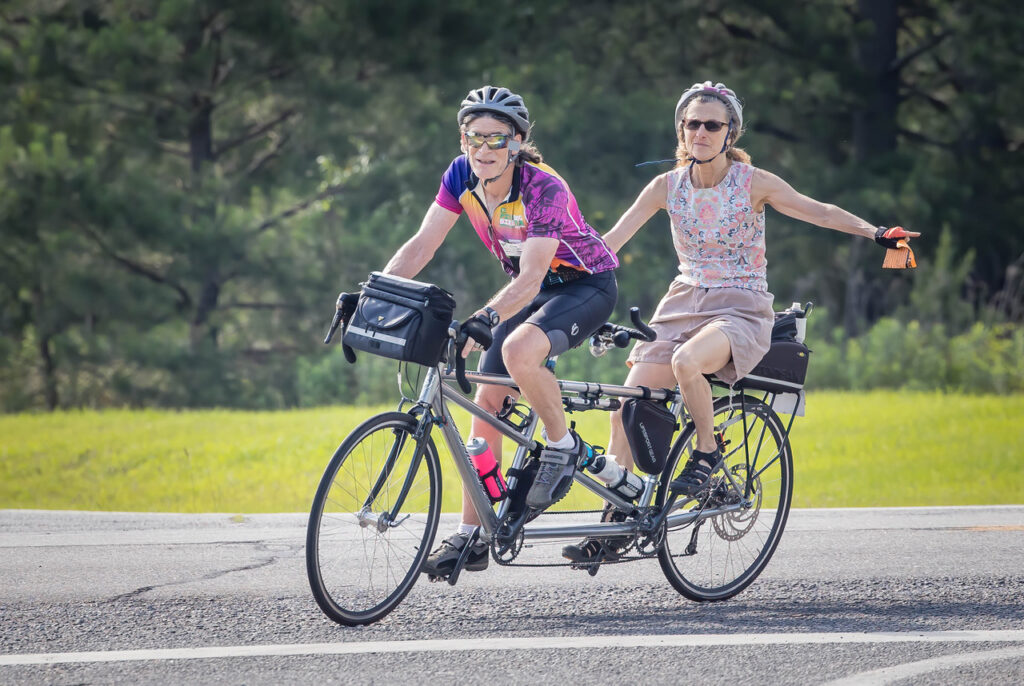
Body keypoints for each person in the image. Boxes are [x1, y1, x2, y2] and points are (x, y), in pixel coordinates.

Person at [562, 80, 920, 563]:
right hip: (682, 303)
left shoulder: (753, 183)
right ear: (681, 130)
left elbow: (821, 212)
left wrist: (875, 232)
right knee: (624, 410)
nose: (702, 132)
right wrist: (555, 270)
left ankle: (707, 455)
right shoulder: (665, 187)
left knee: (689, 363)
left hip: (742, 306)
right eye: (693, 124)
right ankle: (618, 521)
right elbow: (608, 244)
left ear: (731, 132)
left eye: (713, 124)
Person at [370, 86, 619, 576]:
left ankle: (563, 447)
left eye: (496, 140)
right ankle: (472, 535)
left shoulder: (544, 188)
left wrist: (486, 316)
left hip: (583, 286)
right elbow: (422, 245)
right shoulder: (461, 174)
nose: (483, 151)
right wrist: (375, 290)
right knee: (486, 401)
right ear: (463, 139)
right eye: (473, 138)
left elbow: (530, 277)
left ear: (518, 141)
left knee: (522, 351)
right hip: (532, 291)